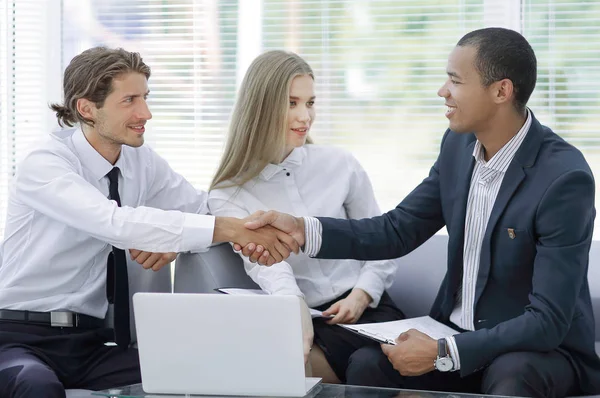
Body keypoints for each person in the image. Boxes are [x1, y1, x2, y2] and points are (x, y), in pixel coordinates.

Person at [241, 28, 600, 397]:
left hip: (536, 351)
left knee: (513, 374)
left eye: (455, 81)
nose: (442, 91)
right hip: (456, 334)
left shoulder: (563, 179)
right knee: (367, 364)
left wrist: (444, 352)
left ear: (501, 91)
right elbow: (398, 229)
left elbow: (548, 321)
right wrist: (300, 229)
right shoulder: (458, 145)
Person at [0, 46, 298, 398]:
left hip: (91, 345)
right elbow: (113, 222)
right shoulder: (45, 164)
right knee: (37, 387)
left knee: (212, 371)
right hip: (19, 336)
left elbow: (201, 210)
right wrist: (225, 228)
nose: (146, 113)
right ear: (86, 108)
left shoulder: (142, 163)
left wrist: (286, 298)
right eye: (129, 101)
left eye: (145, 97)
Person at [208, 50, 405, 383]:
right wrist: (294, 309)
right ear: (261, 108)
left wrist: (362, 294)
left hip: (370, 309)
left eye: (310, 103)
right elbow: (267, 266)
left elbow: (381, 240)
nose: (305, 117)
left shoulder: (340, 164)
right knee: (298, 368)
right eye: (292, 103)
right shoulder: (228, 194)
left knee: (369, 367)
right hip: (306, 318)